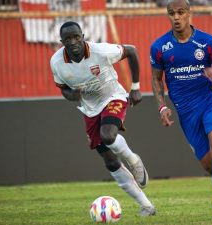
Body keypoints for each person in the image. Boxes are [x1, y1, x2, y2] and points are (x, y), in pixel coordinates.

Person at [150, 0, 212, 219]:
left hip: (210, 100)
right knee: (210, 165)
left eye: (180, 12)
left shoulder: (207, 42)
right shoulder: (159, 47)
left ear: (189, 13)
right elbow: (157, 80)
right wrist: (162, 107)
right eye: (171, 13)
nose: (176, 17)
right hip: (186, 111)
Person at [50, 21, 156, 216]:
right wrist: (72, 95)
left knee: (108, 135)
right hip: (89, 109)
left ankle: (133, 160)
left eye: (76, 36)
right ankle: (147, 206)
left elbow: (131, 51)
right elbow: (63, 89)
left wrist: (135, 88)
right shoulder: (56, 62)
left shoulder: (101, 51)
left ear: (82, 36)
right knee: (109, 160)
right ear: (61, 41)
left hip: (112, 97)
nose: (73, 41)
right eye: (68, 39)